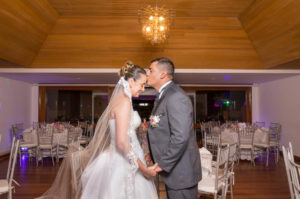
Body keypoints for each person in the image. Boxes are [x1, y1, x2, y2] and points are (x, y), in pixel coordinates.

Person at [37, 62, 158, 199]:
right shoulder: (124, 102)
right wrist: (144, 169)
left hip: (122, 156)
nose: (143, 88)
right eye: (142, 84)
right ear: (131, 81)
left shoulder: (118, 100)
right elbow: (122, 143)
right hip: (123, 162)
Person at [146, 57, 201, 199]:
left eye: (150, 70)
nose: (147, 73)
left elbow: (180, 137)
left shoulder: (176, 97)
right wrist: (150, 153)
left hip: (181, 172)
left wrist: (162, 163)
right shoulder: (163, 96)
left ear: (163, 74)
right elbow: (158, 128)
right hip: (175, 171)